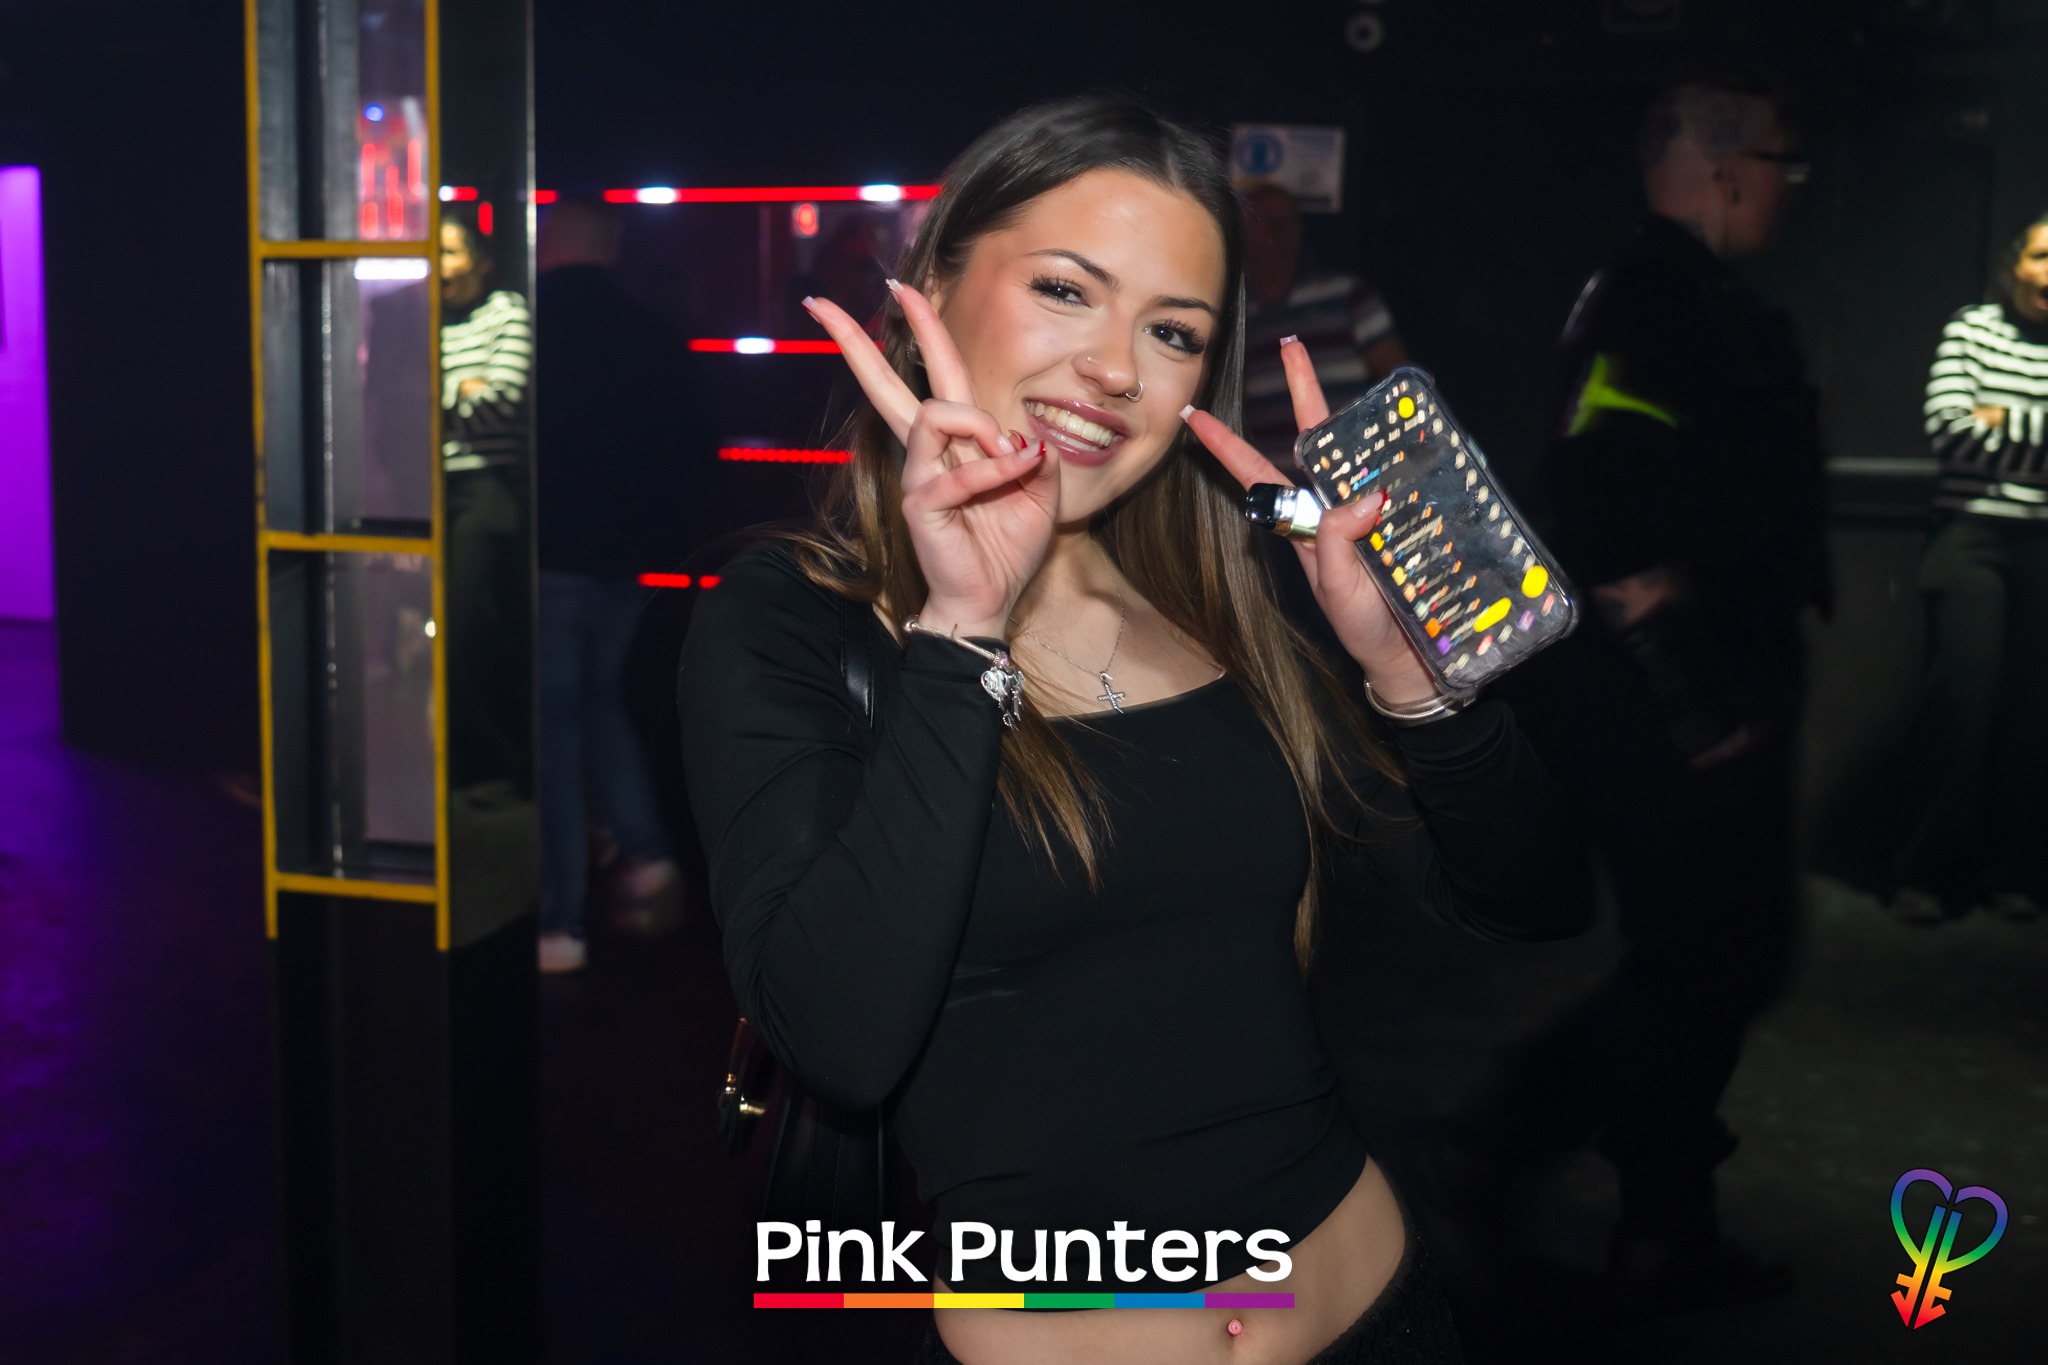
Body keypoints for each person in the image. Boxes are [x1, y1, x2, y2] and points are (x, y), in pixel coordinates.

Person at [677, 96, 1591, 1364]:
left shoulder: (1241, 602)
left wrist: (1412, 682)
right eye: (1065, 290)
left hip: (1384, 1316)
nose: (1115, 368)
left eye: (1171, 331)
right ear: (932, 287)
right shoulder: (792, 619)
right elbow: (838, 1037)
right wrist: (961, 632)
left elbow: (1535, 901)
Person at [1449, 70, 1828, 1316]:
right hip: (1680, 709)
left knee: (1712, 959)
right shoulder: (1652, 301)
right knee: (1712, 959)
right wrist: (1690, 696)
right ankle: (1509, 1141)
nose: (1785, 186)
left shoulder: (1689, 299)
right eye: (1776, 161)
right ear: (1723, 169)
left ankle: (1661, 1231)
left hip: (1715, 690)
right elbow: (1598, 498)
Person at [532, 198, 695, 973]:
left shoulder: (526, 329)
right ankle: (646, 850)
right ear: (614, 243)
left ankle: (560, 920)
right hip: (623, 558)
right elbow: (692, 446)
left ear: (547, 241)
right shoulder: (649, 333)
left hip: (550, 556)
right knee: (601, 704)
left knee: (554, 731)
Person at [1889, 212, 2048, 924]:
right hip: (1970, 537)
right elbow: (1950, 430)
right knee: (1962, 704)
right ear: (2015, 265)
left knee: (2032, 715)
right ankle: (1927, 873)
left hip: (2045, 541)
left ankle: (2014, 872)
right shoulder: (1973, 329)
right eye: (2041, 256)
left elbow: (1981, 431)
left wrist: (2001, 419)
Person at [440, 210, 534, 794]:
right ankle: (481, 766)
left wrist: (439, 389)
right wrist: (462, 389)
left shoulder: (506, 311)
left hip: (487, 490)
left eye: (451, 251)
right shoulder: (424, 319)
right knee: (453, 635)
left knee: (465, 634)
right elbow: (392, 396)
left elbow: (503, 401)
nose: (439, 266)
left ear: (481, 260)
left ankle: (500, 765)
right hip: (430, 490)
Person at [1239, 181, 1410, 464]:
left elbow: (1401, 380)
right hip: (1271, 482)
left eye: (1288, 221)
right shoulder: (1235, 315)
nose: (1280, 232)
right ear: (1244, 231)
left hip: (1356, 473)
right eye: (1267, 221)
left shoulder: (1348, 295)